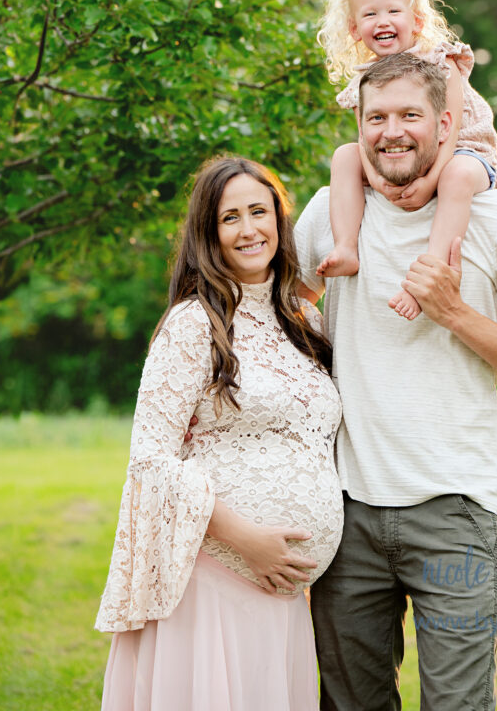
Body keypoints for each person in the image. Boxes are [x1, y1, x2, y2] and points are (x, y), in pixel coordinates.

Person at [295, 53, 497, 711]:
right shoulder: (329, 217)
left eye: (409, 116)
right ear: (358, 125)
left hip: (455, 515)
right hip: (345, 514)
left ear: (445, 123)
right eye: (376, 117)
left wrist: (454, 313)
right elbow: (274, 315)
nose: (391, 132)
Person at [95, 156, 343, 711]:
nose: (249, 229)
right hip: (214, 580)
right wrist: (245, 540)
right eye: (230, 218)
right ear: (209, 233)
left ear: (280, 221)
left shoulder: (308, 326)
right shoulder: (193, 324)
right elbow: (149, 460)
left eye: (260, 211)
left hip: (284, 597)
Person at [316, 0, 497, 321]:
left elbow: (449, 130)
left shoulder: (441, 59)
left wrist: (430, 180)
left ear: (416, 21)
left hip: (464, 149)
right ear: (355, 29)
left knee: (458, 175)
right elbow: (367, 143)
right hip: (406, 157)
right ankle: (347, 247)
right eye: (370, 14)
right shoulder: (364, 80)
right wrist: (381, 184)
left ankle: (431, 273)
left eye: (393, 12)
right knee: (344, 156)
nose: (382, 21)